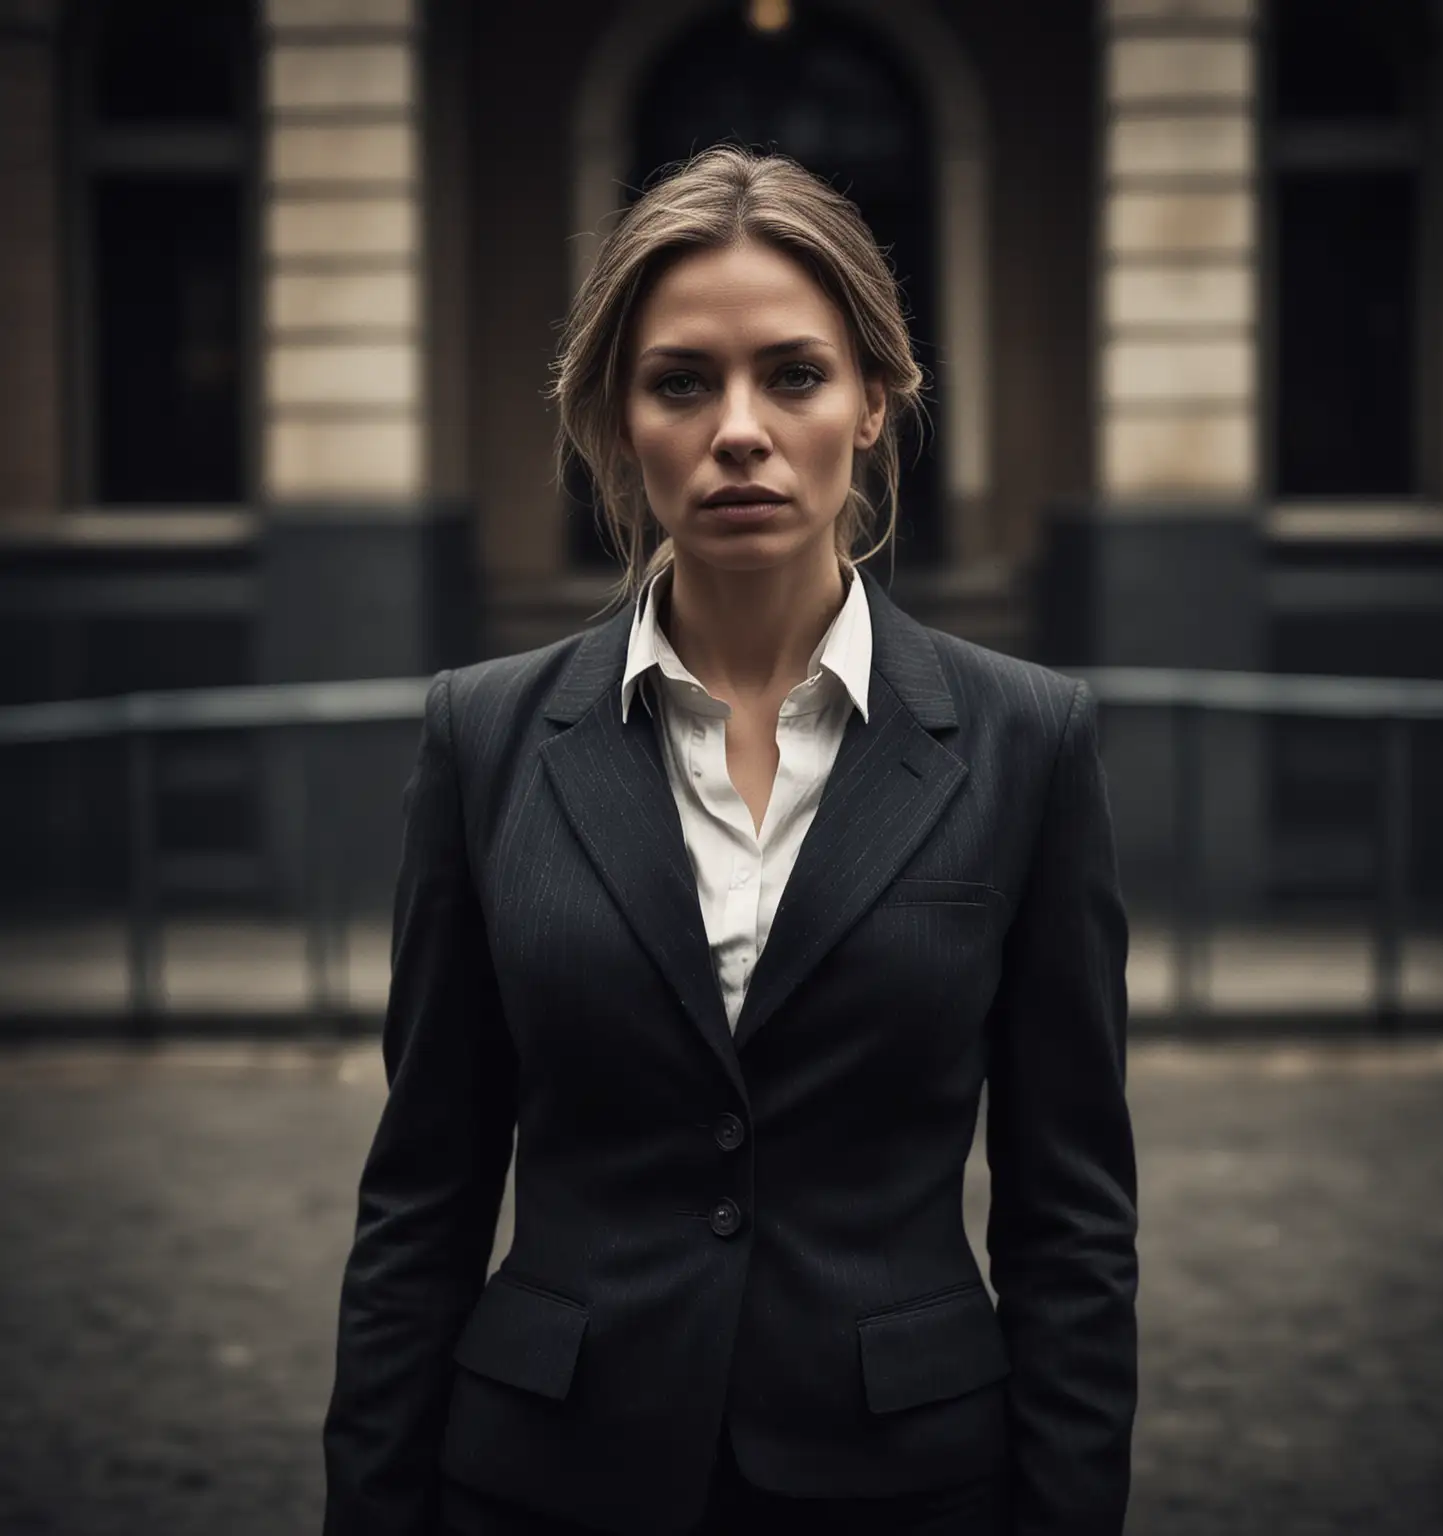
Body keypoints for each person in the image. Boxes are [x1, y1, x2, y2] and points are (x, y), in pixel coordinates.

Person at [322, 144, 1138, 1536]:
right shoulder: (486, 738)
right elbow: (424, 1202)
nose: (739, 429)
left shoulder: (1026, 740)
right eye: (682, 381)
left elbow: (1071, 1222)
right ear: (618, 418)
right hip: (547, 1482)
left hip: (906, 1485)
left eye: (797, 375)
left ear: (876, 403)